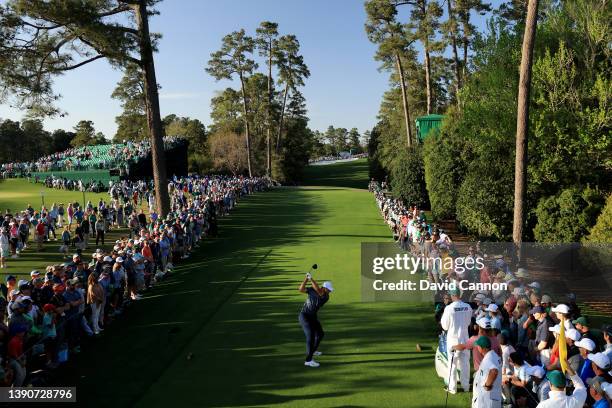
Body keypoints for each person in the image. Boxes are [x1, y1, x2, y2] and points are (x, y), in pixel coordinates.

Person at [441, 287, 472, 394]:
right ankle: (466, 386)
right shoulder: (468, 307)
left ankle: (452, 388)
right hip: (465, 338)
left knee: (452, 364)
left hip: (453, 340)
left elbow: (445, 326)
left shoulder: (449, 308)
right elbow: (468, 323)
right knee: (465, 364)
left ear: (453, 295)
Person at [298, 272, 333, 368]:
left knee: (320, 334)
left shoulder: (325, 296)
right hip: (304, 316)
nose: (329, 292)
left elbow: (318, 291)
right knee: (311, 336)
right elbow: (300, 289)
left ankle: (313, 351)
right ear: (324, 287)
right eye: (328, 290)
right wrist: (306, 279)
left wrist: (311, 278)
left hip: (312, 317)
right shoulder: (314, 290)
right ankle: (308, 360)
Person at [472, 335, 502, 408]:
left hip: (486, 398)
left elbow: (494, 371)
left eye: (478, 346)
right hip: (494, 395)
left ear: (483, 348)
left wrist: (487, 385)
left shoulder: (488, 358)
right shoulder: (494, 355)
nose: (477, 347)